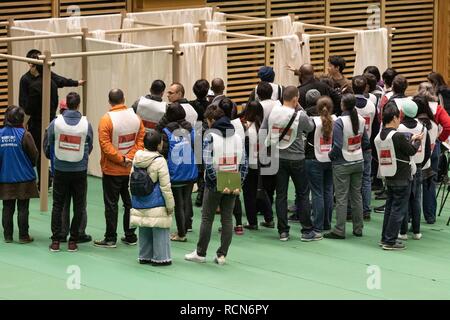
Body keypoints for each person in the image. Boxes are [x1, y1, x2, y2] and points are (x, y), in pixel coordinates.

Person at [185, 105, 248, 265]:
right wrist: (237, 181)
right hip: (233, 179)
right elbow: (244, 163)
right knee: (227, 219)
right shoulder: (238, 137)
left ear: (212, 120)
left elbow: (207, 162)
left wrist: (215, 180)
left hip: (214, 183)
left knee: (207, 218)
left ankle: (200, 253)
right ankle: (222, 255)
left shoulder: (210, 136)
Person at [20, 49, 85, 188]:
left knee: (47, 150)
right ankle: (45, 179)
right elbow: (24, 104)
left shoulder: (48, 77)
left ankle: (47, 179)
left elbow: (61, 80)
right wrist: (24, 121)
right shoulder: (26, 80)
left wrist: (76, 83)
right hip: (35, 121)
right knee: (39, 151)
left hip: (48, 119)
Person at [95, 89, 145, 248]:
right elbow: (140, 141)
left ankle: (110, 238)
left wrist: (120, 159)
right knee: (129, 203)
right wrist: (129, 158)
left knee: (111, 204)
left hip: (112, 170)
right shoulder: (136, 118)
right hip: (131, 169)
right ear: (124, 98)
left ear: (109, 101)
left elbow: (105, 145)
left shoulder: (106, 120)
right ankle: (130, 236)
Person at [266, 86, 316, 241]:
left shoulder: (274, 111)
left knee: (281, 194)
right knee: (302, 194)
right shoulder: (299, 115)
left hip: (278, 157)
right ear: (296, 99)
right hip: (297, 159)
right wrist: (301, 109)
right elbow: (311, 127)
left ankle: (283, 231)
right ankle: (307, 230)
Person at [45, 92, 93, 252]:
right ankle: (73, 241)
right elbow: (90, 144)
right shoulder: (86, 124)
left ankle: (56, 241)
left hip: (60, 169)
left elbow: (49, 143)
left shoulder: (56, 123)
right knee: (79, 206)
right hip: (79, 170)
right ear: (78, 105)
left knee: (58, 205)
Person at [375, 103, 423, 250]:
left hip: (389, 176)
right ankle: (390, 241)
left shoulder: (380, 135)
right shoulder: (398, 136)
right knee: (398, 209)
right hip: (402, 176)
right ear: (395, 117)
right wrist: (416, 141)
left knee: (390, 208)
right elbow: (410, 151)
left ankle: (385, 237)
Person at [325, 94, 370, 239]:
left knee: (341, 198)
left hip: (342, 163)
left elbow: (337, 146)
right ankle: (358, 228)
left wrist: (330, 156)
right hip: (358, 161)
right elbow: (366, 142)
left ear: (343, 105)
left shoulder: (339, 122)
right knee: (356, 196)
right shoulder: (361, 120)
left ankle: (339, 229)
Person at [129, 131, 175, 266]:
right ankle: (161, 257)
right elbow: (165, 187)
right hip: (156, 203)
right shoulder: (160, 161)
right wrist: (170, 205)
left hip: (139, 200)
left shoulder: (137, 158)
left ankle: (144, 256)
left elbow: (130, 180)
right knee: (160, 228)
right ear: (159, 145)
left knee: (144, 227)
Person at [0, 106, 39, 244]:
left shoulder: (0, 134)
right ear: (21, 119)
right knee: (23, 208)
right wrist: (30, 165)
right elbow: (34, 154)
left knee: (7, 207)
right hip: (24, 178)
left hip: (5, 177)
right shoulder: (25, 134)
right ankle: (23, 236)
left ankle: (8, 236)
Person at [161, 103, 198, 242]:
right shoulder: (190, 129)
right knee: (187, 200)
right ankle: (186, 227)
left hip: (175, 172)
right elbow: (195, 146)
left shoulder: (166, 131)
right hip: (190, 170)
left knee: (179, 203)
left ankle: (181, 234)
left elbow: (164, 152)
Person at [397, 99, 431, 241]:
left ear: (402, 113)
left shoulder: (399, 129)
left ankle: (403, 232)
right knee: (416, 198)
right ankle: (416, 231)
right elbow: (428, 149)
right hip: (417, 166)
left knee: (404, 198)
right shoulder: (423, 127)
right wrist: (421, 164)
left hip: (404, 166)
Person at [417, 82, 450, 224]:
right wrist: (439, 139)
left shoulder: (414, 106)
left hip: (416, 146)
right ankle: (430, 216)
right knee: (430, 181)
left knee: (414, 182)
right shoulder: (438, 108)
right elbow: (448, 126)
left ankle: (412, 216)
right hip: (432, 147)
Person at [305, 96, 335, 234]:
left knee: (317, 193)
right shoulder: (336, 120)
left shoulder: (313, 122)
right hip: (330, 159)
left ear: (317, 108)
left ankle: (317, 225)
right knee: (328, 191)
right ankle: (327, 223)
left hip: (314, 159)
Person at [242, 101, 273, 229]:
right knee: (261, 191)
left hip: (251, 164)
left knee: (249, 193)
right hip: (264, 162)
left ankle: (252, 221)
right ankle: (269, 218)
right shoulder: (264, 126)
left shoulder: (247, 128)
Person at [352, 76, 376, 220]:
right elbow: (376, 125)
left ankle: (349, 210)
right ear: (365, 87)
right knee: (366, 179)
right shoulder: (371, 105)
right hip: (366, 146)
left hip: (350, 145)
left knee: (350, 179)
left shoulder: (348, 104)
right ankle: (366, 210)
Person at [189, 79, 210, 207]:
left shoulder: (190, 105)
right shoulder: (211, 105)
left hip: (194, 133)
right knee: (205, 163)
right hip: (207, 133)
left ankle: (200, 190)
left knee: (198, 164)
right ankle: (202, 192)